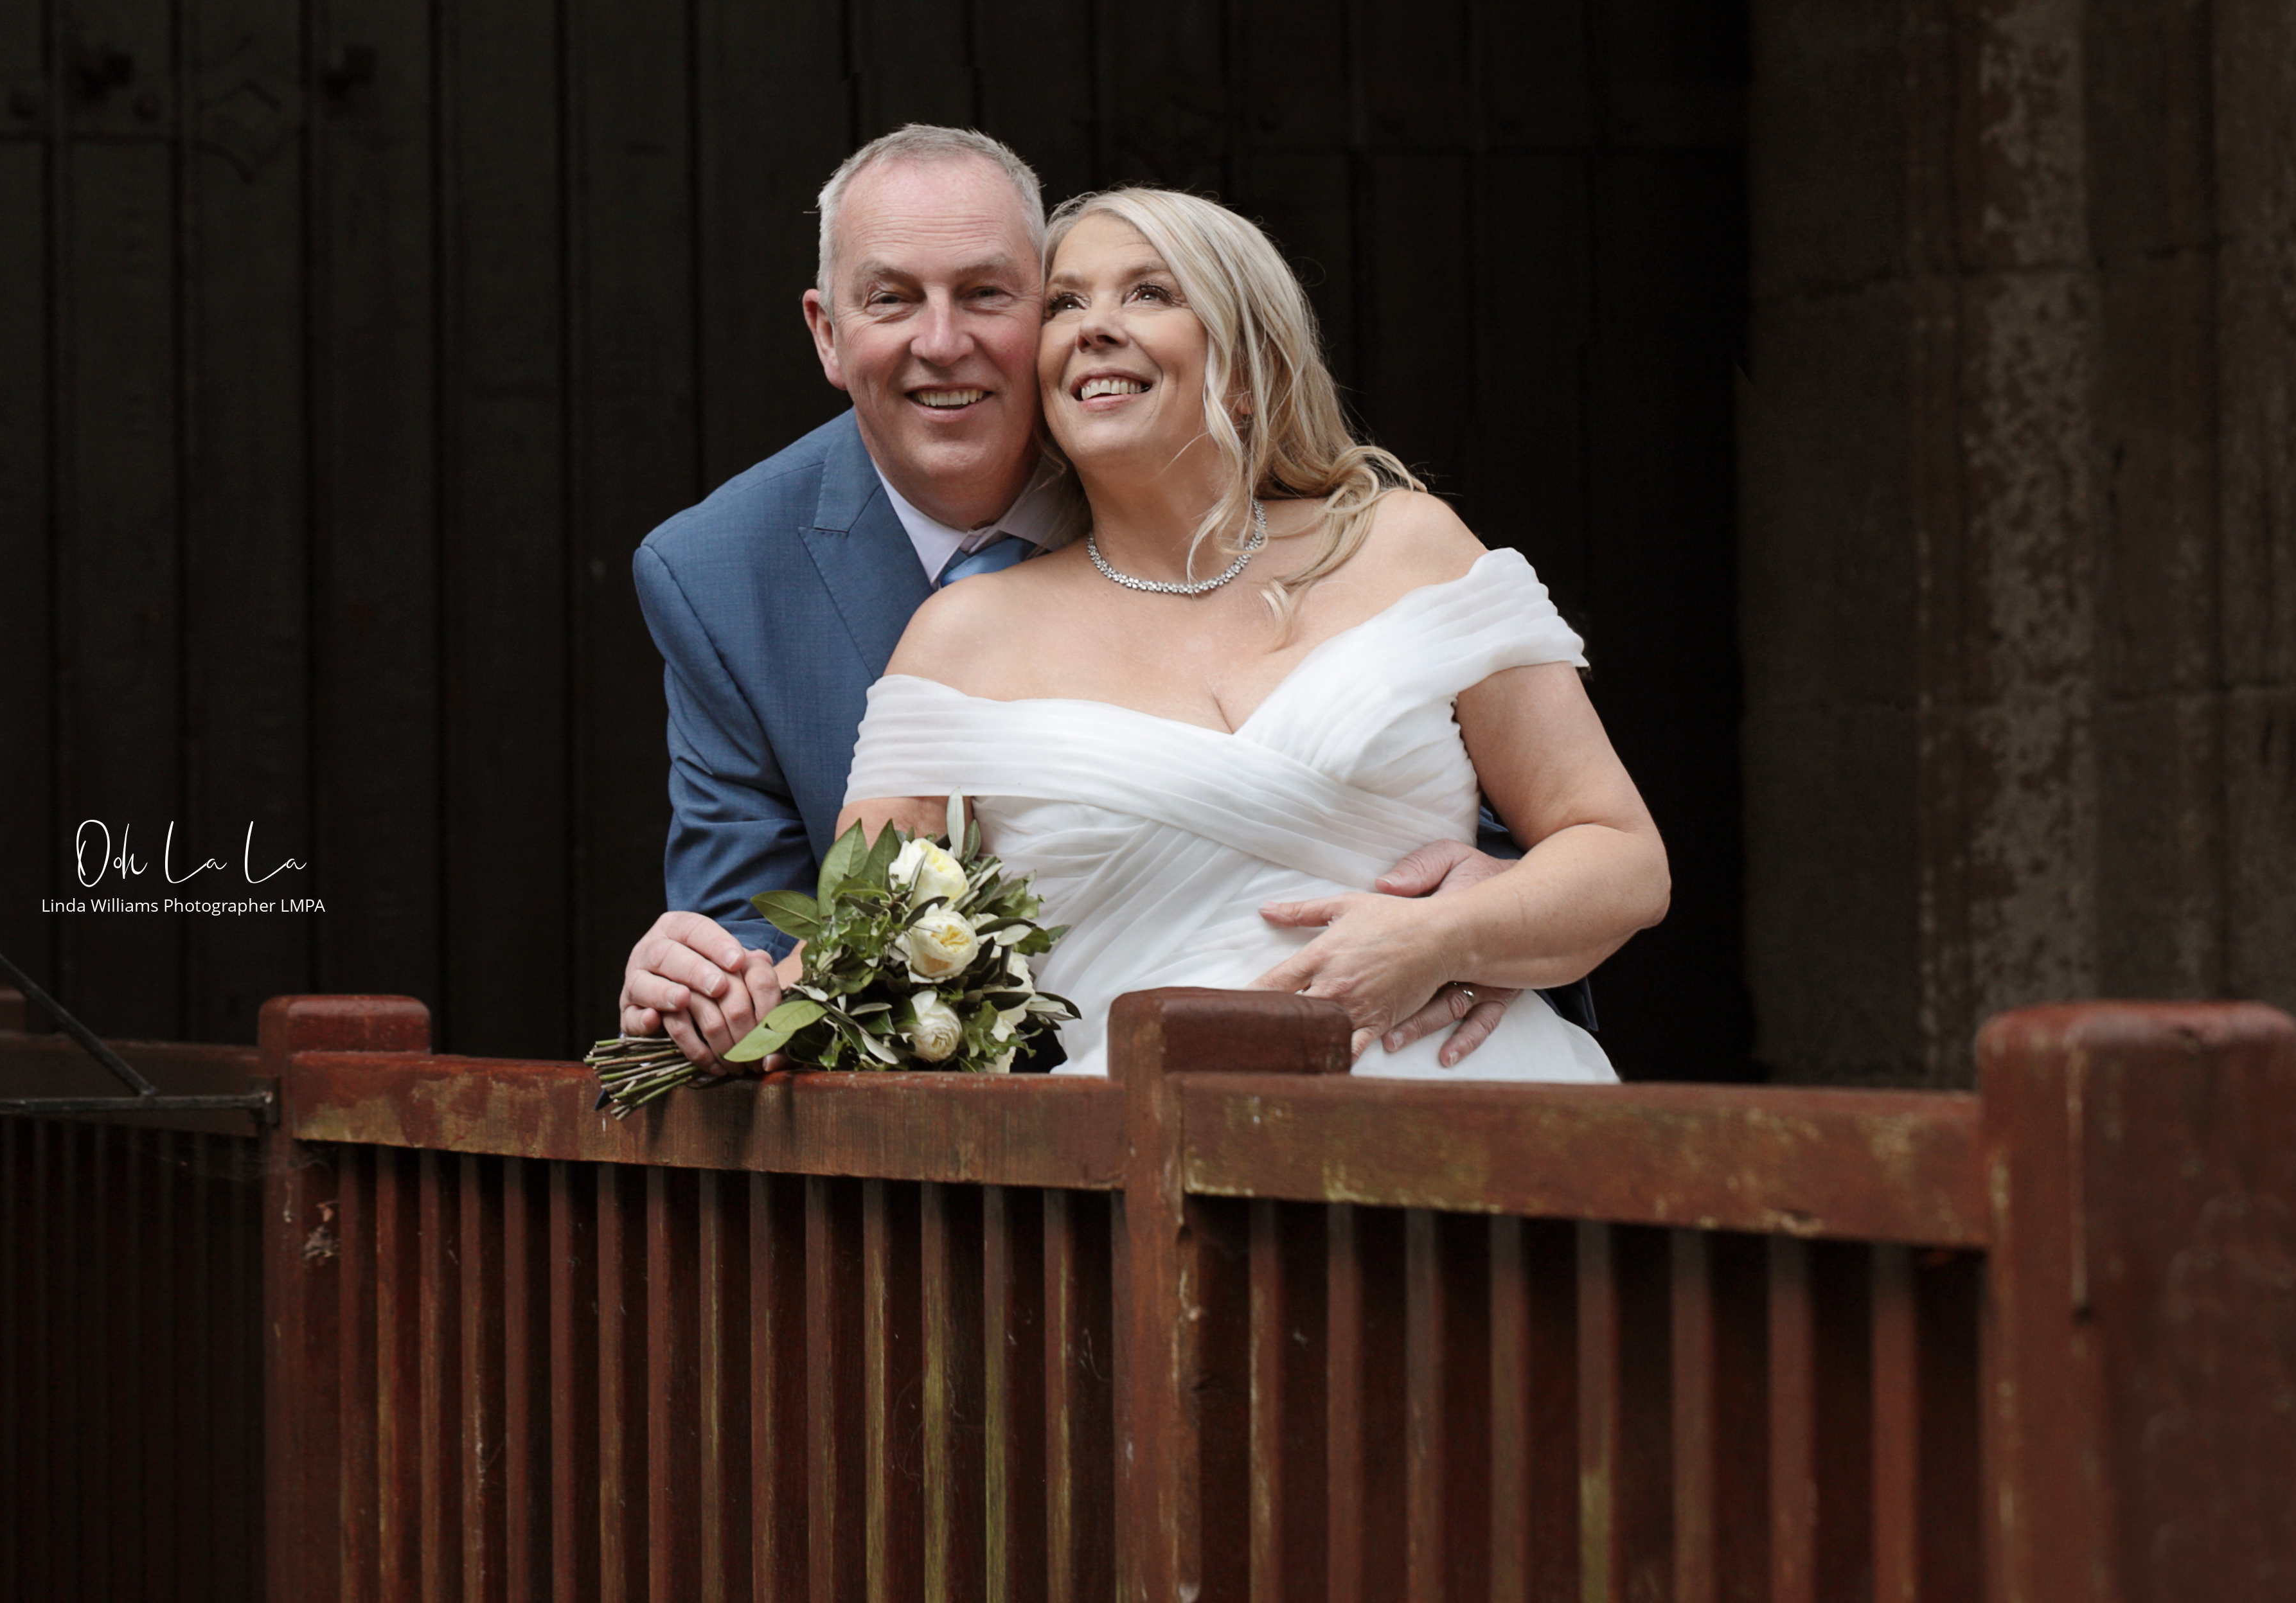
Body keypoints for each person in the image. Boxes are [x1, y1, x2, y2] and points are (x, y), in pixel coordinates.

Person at [616, 130, 1547, 1071]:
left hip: (1433, 1044)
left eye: (987, 293)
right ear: (826, 330)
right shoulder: (716, 573)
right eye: (891, 298)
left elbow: (1495, 799)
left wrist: (1489, 925)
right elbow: (767, 943)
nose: (942, 343)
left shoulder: (1228, 486)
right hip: (1031, 1150)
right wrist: (698, 988)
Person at [826, 184, 1666, 1078]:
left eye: (1150, 292)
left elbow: (1622, 859)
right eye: (1066, 302)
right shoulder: (961, 639)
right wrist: (700, 989)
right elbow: (850, 956)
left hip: (1485, 1114)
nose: (1093, 326)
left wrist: (1441, 936)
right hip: (1154, 1157)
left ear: (1243, 367)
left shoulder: (1406, 545)